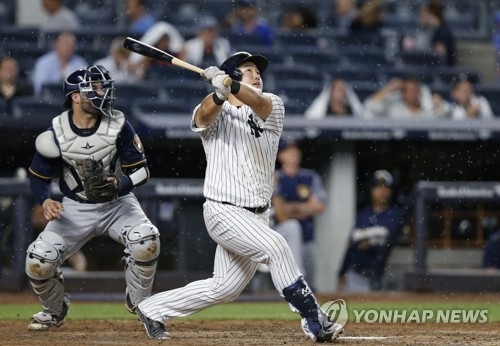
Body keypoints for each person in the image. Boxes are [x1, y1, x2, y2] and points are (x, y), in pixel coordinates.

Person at [134, 52, 344, 342]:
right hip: (223, 211)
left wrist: (231, 85)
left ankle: (153, 309)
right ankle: (314, 318)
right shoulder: (215, 113)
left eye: (258, 70)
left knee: (225, 287)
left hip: (257, 214)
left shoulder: (273, 106)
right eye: (248, 70)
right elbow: (202, 115)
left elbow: (259, 102)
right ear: (232, 74)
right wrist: (219, 94)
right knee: (276, 246)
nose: (257, 74)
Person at [25, 65, 161, 330]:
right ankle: (54, 310)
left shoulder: (119, 124)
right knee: (38, 260)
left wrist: (121, 183)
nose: (103, 91)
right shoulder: (56, 130)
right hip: (75, 207)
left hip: (118, 203)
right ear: (75, 96)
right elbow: (38, 178)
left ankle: (139, 301)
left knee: (146, 240)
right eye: (95, 88)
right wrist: (45, 200)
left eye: (102, 86)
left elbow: (142, 172)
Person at [338, 170, 405, 292]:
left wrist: (367, 239)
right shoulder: (364, 214)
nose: (382, 191)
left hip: (383, 274)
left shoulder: (395, 213)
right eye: (378, 187)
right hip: (357, 274)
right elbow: (351, 244)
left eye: (386, 188)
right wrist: (342, 272)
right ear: (372, 190)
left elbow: (387, 235)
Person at [272, 138, 327, 287]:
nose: (294, 153)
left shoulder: (309, 176)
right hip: (280, 237)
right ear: (280, 156)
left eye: (296, 150)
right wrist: (304, 208)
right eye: (288, 150)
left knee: (310, 285)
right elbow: (282, 215)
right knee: (292, 226)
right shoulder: (275, 177)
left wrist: (292, 208)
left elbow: (319, 206)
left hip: (307, 237)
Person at [32, 32, 87, 96]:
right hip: (48, 100)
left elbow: (84, 88)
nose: (68, 47)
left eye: (71, 45)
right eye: (65, 44)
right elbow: (39, 88)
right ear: (55, 44)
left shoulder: (80, 63)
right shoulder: (43, 62)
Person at [402, 0, 456, 66]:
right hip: (425, 67)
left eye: (423, 15)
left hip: (437, 71)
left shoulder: (442, 31)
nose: (420, 18)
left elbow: (439, 58)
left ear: (431, 15)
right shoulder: (428, 29)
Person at [363, 76, 441, 119]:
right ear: (403, 93)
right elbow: (370, 106)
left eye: (414, 90)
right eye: (408, 90)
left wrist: (439, 106)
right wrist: (388, 88)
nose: (412, 93)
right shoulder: (395, 106)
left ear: (419, 91)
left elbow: (444, 118)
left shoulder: (428, 106)